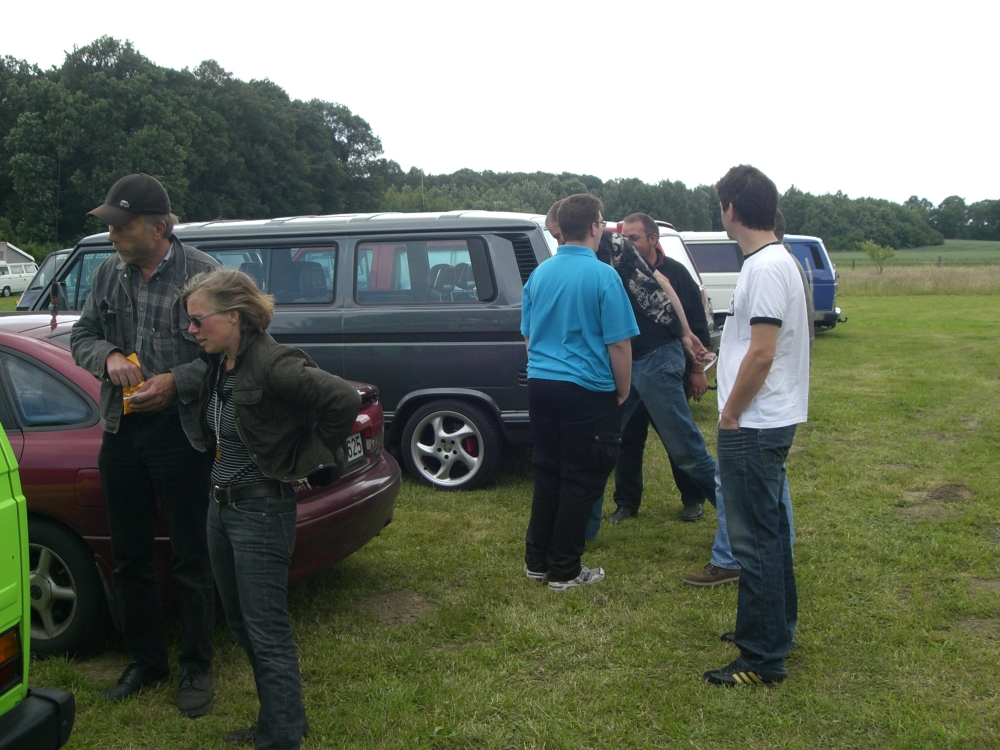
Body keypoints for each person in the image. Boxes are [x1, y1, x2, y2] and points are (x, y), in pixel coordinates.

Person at [183, 268, 361, 748]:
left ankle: (280, 738)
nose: (192, 330)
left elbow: (342, 399)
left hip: (260, 511)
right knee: (242, 624)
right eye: (190, 322)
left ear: (234, 316)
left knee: (266, 631)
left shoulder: (273, 362)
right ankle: (280, 721)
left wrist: (309, 457)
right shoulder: (222, 362)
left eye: (199, 320)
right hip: (221, 507)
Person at [71, 173, 220, 715]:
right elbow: (82, 336)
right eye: (111, 225)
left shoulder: (204, 276)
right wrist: (108, 356)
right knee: (130, 555)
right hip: (121, 431)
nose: (112, 235)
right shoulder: (107, 273)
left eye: (122, 225)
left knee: (191, 555)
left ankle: (197, 667)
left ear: (158, 228)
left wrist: (176, 382)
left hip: (181, 433)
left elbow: (229, 353)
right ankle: (146, 660)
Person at [702, 165, 810, 687]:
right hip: (766, 419)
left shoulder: (765, 267)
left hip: (754, 423)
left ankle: (762, 658)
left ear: (732, 210)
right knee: (771, 532)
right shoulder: (774, 260)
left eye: (720, 206)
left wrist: (730, 413)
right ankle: (771, 629)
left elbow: (763, 353)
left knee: (755, 541)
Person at [523, 194, 638, 589]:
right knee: (580, 478)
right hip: (586, 388)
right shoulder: (604, 276)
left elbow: (529, 337)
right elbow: (619, 344)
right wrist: (622, 390)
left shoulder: (540, 274)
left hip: (541, 384)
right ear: (593, 227)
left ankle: (537, 562)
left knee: (547, 472)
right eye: (602, 222)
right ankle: (565, 570)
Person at [608, 213, 716, 526]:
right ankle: (626, 503)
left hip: (663, 363)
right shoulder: (619, 269)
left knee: (678, 441)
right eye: (624, 238)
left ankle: (693, 499)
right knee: (626, 440)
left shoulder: (676, 273)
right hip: (629, 364)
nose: (627, 244)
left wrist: (696, 370)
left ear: (653, 239)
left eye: (634, 238)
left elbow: (696, 325)